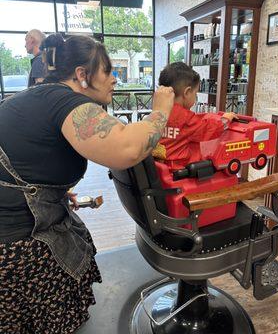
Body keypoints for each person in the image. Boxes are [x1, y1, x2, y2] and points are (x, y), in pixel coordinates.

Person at [0, 33, 174, 333]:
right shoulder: (66, 102)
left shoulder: (41, 95)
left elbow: (32, 155)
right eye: (108, 71)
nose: (114, 79)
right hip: (14, 245)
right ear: (82, 75)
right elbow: (126, 149)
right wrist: (160, 111)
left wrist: (56, 190)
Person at [152, 62, 237, 170]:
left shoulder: (157, 111)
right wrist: (226, 119)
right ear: (187, 93)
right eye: (195, 94)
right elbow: (208, 130)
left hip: (158, 168)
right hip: (180, 169)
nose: (195, 97)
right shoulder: (185, 118)